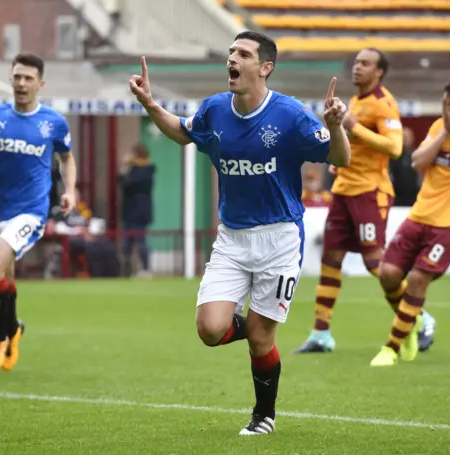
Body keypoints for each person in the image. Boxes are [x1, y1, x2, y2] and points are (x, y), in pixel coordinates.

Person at [129, 30, 351, 435]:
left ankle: (263, 415)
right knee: (210, 330)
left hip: (280, 238)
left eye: (243, 53)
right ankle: (262, 327)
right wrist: (148, 103)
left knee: (261, 339)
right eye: (231, 51)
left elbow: (341, 158)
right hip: (232, 238)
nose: (232, 58)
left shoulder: (290, 114)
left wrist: (335, 127)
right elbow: (182, 131)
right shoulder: (214, 110)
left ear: (264, 67)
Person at [294, 48, 436, 354]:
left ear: (379, 72)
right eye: (356, 62)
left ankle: (420, 318)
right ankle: (321, 333)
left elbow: (395, 147)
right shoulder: (356, 102)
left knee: (375, 262)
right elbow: (353, 142)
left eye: (366, 63)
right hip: (344, 190)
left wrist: (354, 127)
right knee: (331, 260)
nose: (358, 67)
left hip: (370, 191)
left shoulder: (384, 104)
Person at [0, 53, 77, 374]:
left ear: (40, 83)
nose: (22, 83)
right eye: (17, 77)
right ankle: (14, 328)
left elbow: (67, 157)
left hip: (31, 212)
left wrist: (70, 190)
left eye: (28, 78)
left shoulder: (53, 122)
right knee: (3, 277)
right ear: (11, 80)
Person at [371, 76, 450, 366]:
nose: (449, 110)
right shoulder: (438, 127)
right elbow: (418, 160)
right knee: (388, 274)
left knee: (418, 278)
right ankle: (413, 321)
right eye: (445, 104)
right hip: (419, 215)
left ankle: (392, 347)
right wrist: (445, 133)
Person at [119, 143, 156, 278]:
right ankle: (126, 272)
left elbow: (129, 184)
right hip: (129, 212)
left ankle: (146, 269)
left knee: (140, 241)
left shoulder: (146, 169)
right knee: (126, 244)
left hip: (139, 212)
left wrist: (126, 168)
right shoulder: (133, 169)